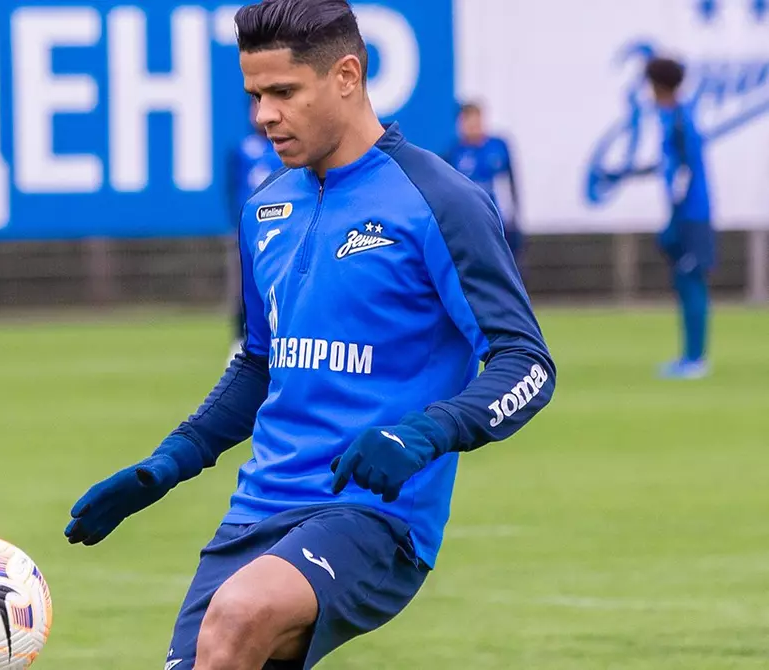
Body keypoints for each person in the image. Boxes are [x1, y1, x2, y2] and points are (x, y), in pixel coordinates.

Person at [64, 1, 556, 668]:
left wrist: (423, 434)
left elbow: (526, 364)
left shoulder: (442, 202)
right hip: (256, 511)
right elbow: (260, 364)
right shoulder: (265, 207)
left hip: (373, 514)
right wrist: (168, 464)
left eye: (283, 92)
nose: (264, 115)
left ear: (346, 76)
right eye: (255, 95)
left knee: (238, 619)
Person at [600, 57, 715, 379]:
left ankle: (696, 359)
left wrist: (676, 218)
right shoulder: (673, 118)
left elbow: (685, 173)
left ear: (659, 86)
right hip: (686, 214)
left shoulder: (679, 121)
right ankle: (690, 356)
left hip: (692, 216)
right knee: (684, 281)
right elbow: (670, 167)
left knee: (691, 281)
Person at [227, 99, 284, 361]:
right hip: (249, 234)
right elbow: (233, 190)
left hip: (282, 233)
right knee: (242, 287)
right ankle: (241, 340)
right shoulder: (243, 150)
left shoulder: (287, 150)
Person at [444, 102, 524, 265]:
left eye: (476, 121)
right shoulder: (455, 153)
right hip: (470, 221)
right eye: (468, 122)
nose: (473, 127)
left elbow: (510, 180)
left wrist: (515, 212)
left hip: (499, 218)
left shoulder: (498, 146)